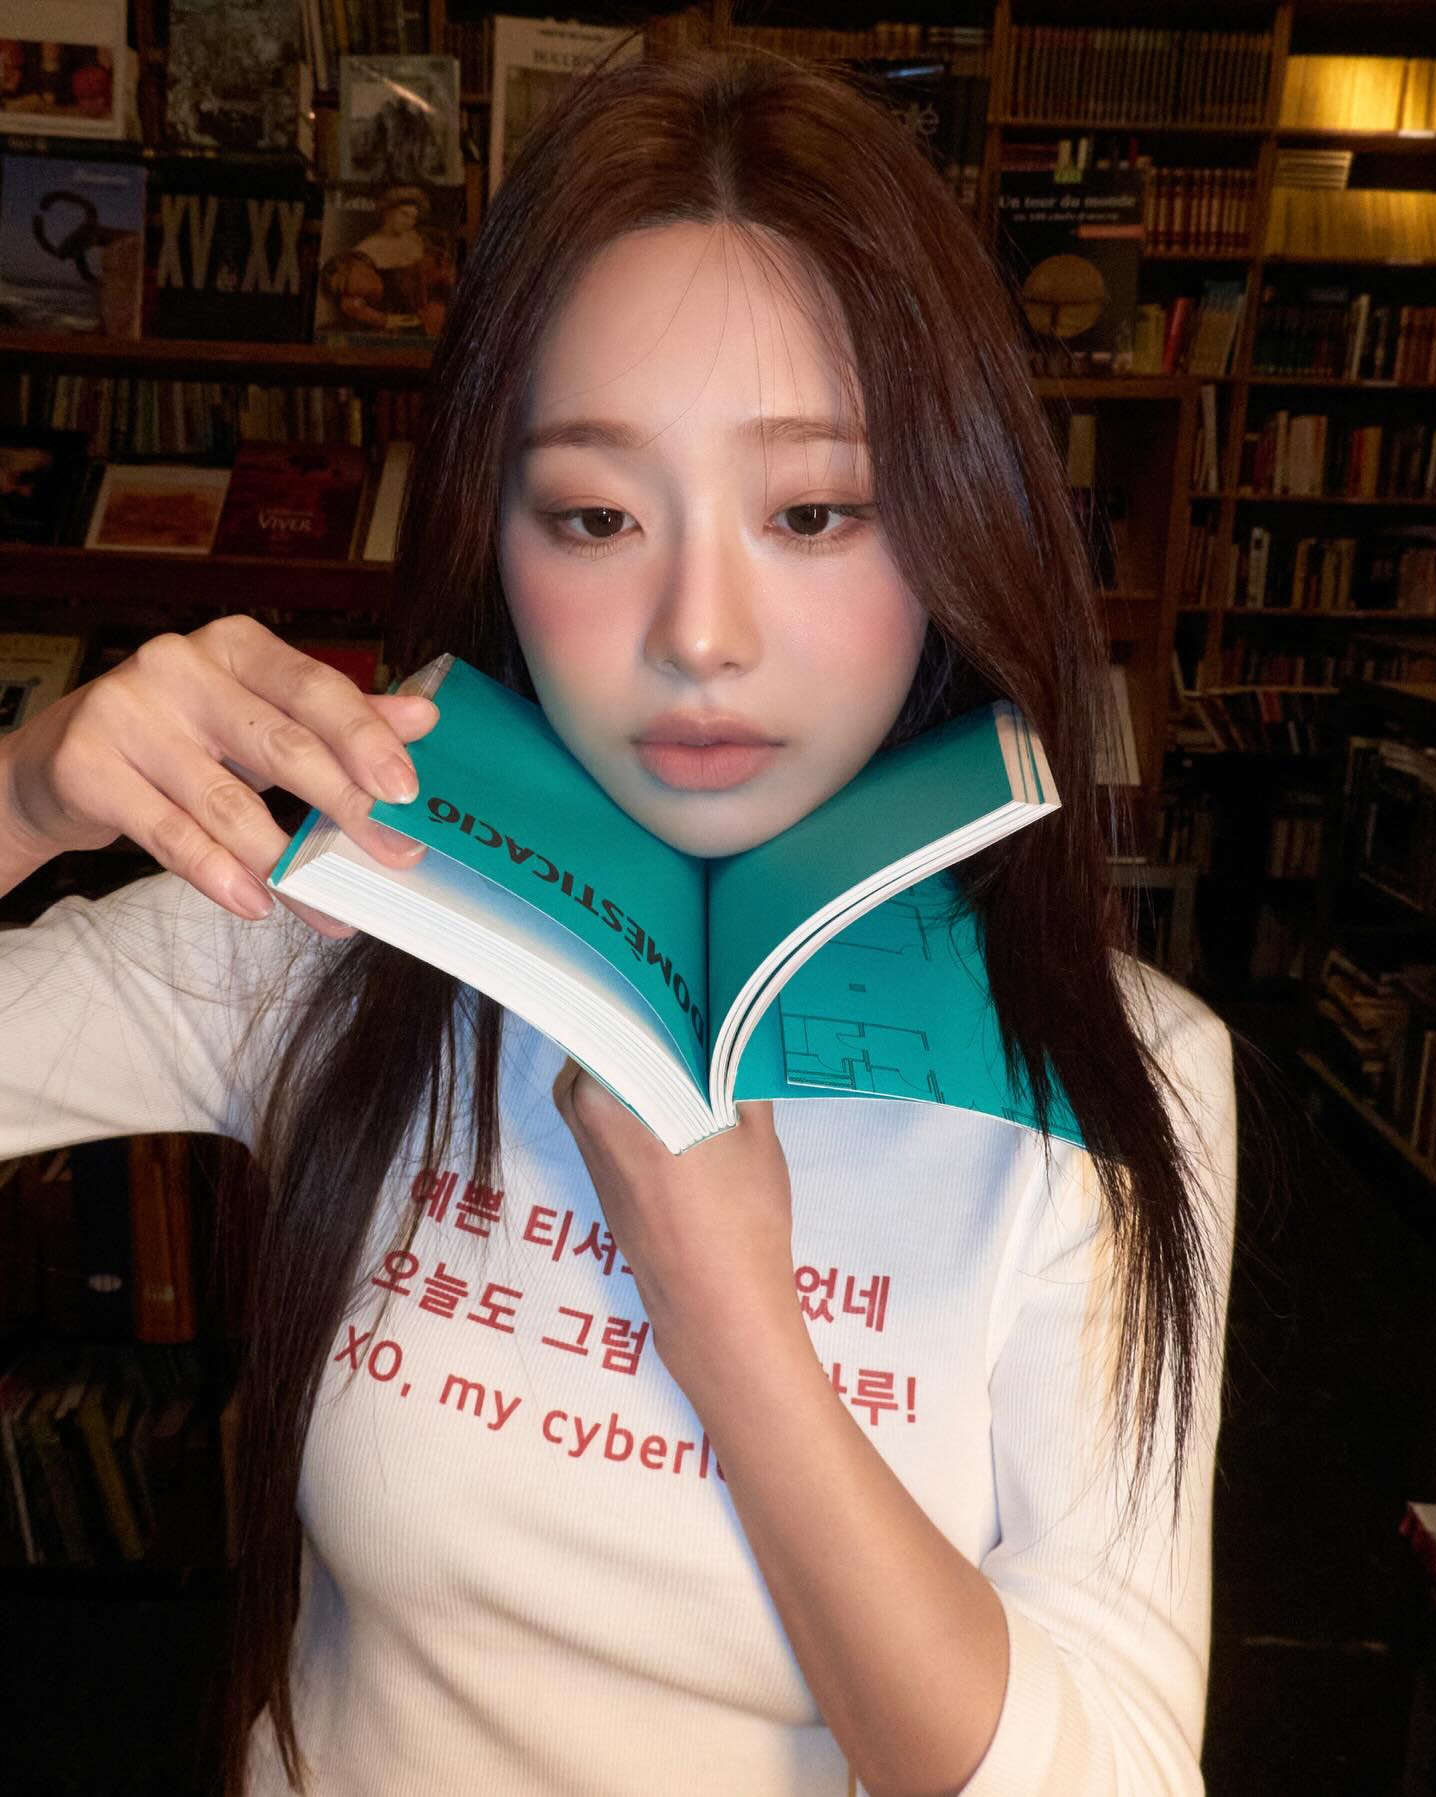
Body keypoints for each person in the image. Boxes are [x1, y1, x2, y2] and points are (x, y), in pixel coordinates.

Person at [0, 42, 1239, 1797]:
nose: (698, 633)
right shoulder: (338, 930)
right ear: (493, 538)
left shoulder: (1114, 1072)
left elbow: (1118, 1767)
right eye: (595, 514)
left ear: (956, 525)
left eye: (813, 511)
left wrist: (736, 1327)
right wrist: (22, 798)